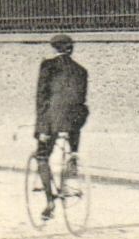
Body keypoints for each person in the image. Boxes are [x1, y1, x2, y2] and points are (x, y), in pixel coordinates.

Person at [34, 33, 89, 221]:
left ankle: (50, 201)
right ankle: (73, 156)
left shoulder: (48, 66)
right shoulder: (82, 70)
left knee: (42, 156)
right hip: (74, 123)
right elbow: (81, 100)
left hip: (51, 121)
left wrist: (41, 128)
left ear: (54, 48)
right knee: (70, 145)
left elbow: (41, 99)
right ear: (71, 48)